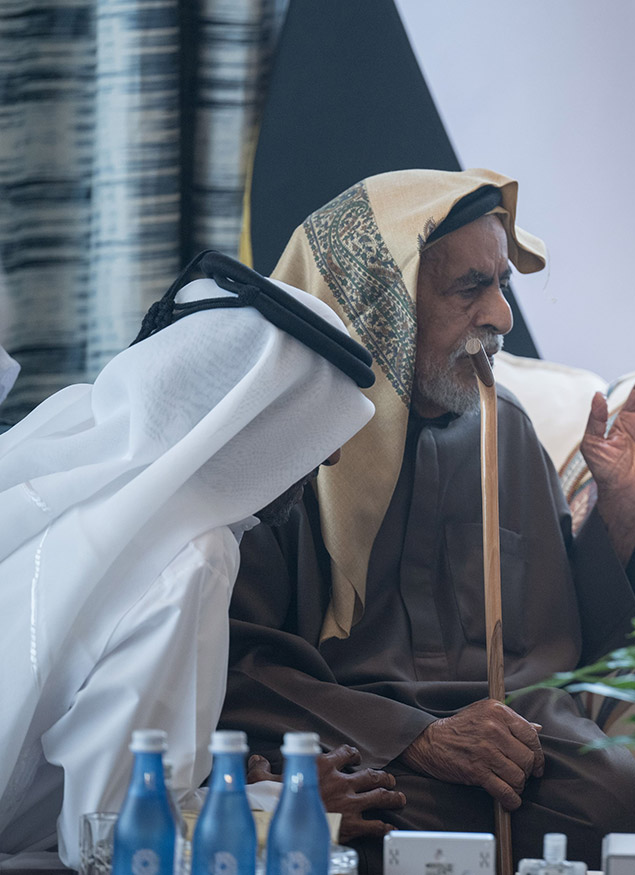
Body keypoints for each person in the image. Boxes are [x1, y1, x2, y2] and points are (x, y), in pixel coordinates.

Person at [220, 168, 635, 870]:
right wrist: (418, 738)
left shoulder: (507, 432)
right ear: (380, 306)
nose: (502, 316)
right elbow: (237, 666)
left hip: (520, 750)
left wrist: (620, 512)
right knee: (342, 818)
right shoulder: (282, 446)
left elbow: (572, 650)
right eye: (470, 288)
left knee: (614, 803)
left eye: (503, 284)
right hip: (358, 744)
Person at [0, 256, 384, 867]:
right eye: (310, 422)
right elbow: (110, 842)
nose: (330, 459)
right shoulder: (191, 554)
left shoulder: (59, 454)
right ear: (250, 415)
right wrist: (278, 806)